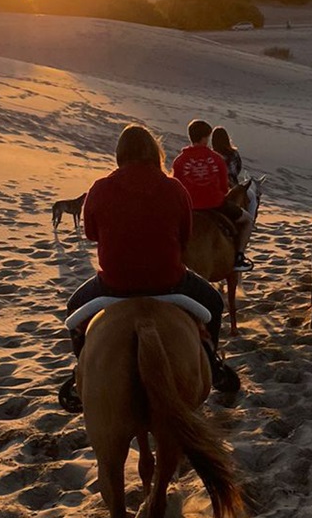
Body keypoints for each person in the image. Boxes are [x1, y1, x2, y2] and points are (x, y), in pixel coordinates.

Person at [59, 124, 238, 411]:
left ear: (119, 154)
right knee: (214, 304)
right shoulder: (174, 188)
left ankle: (81, 375)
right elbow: (184, 235)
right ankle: (213, 364)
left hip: (114, 284)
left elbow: (91, 233)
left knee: (73, 309)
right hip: (169, 281)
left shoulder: (100, 188)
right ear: (155, 153)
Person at [173, 120, 255, 272]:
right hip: (215, 204)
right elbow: (224, 188)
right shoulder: (217, 159)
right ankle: (238, 257)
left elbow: (177, 186)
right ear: (206, 138)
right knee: (248, 221)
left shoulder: (179, 161)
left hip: (189, 207)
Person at [212, 125, 260, 222]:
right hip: (232, 187)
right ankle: (251, 221)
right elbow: (238, 169)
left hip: (215, 187)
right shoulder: (233, 153)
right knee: (252, 198)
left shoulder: (211, 155)